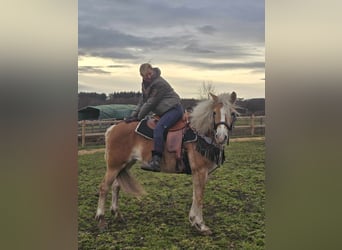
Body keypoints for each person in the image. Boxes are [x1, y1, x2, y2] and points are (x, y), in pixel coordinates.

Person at [128, 63, 184, 172]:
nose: (148, 77)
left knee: (159, 128)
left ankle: (156, 160)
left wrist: (139, 117)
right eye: (145, 76)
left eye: (149, 74)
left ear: (152, 70)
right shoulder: (145, 84)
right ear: (142, 76)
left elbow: (150, 103)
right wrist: (132, 116)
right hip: (163, 111)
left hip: (173, 109)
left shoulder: (159, 83)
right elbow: (142, 101)